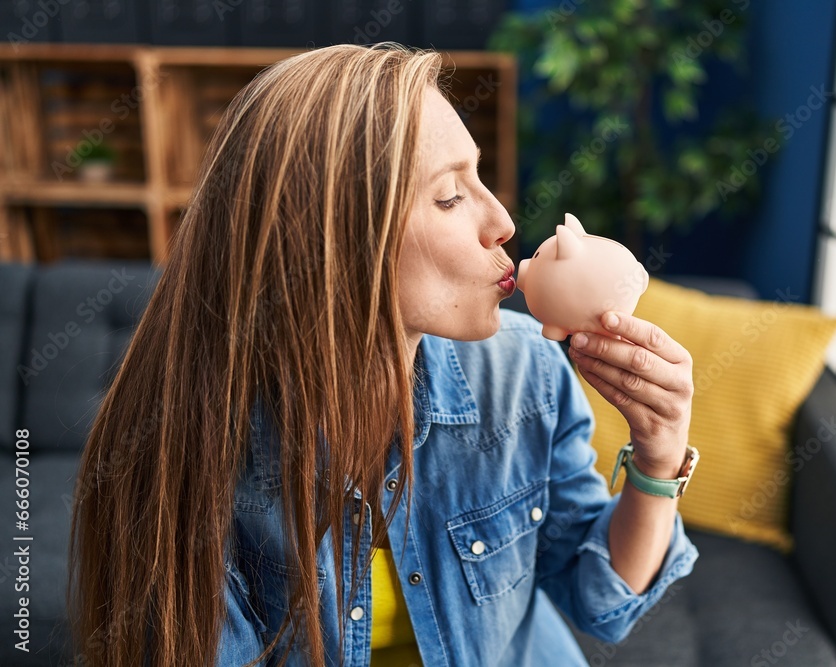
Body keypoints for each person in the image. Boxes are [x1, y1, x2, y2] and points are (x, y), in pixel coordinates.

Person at [67, 43, 699, 667]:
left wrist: (659, 455)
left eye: (480, 179)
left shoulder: (525, 373)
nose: (504, 221)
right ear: (333, 238)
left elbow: (601, 605)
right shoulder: (193, 447)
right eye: (450, 196)